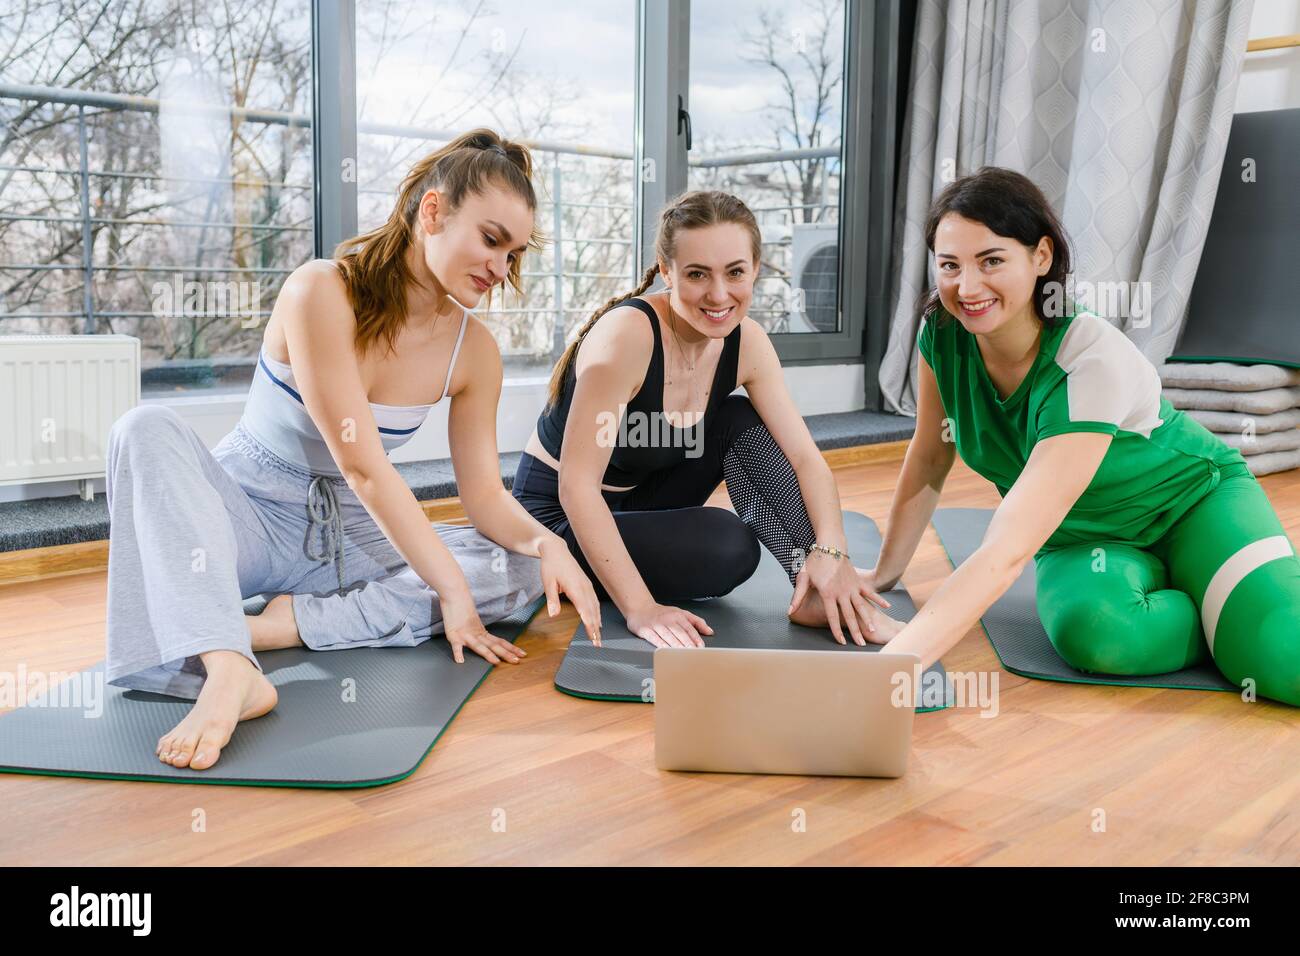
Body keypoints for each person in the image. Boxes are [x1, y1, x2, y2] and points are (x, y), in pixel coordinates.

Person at [105, 128, 601, 772]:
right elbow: (362, 464)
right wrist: (448, 590)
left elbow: (482, 496)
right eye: (490, 239)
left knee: (520, 567)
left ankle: (277, 627)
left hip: (349, 541)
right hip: (248, 521)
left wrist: (545, 544)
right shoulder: (320, 290)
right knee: (144, 428)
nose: (501, 269)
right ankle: (232, 671)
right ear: (432, 212)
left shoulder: (473, 350)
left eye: (514, 253)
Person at [874, 166, 1299, 707]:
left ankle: (1239, 600)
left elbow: (1005, 550)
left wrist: (899, 662)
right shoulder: (942, 333)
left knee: (1282, 656)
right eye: (950, 265)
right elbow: (931, 454)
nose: (967, 287)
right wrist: (884, 574)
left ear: (1042, 257)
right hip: (1082, 540)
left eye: (992, 261)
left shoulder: (1088, 359)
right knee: (1101, 637)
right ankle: (1218, 603)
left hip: (1194, 505)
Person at [511, 190, 901, 650]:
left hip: (639, 500)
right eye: (698, 274)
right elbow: (575, 489)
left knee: (737, 417)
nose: (719, 295)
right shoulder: (626, 338)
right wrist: (641, 608)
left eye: (735, 272)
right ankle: (605, 575)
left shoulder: (747, 343)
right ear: (666, 269)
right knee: (727, 547)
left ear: (755, 268)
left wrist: (831, 552)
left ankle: (818, 593)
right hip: (559, 518)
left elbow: (805, 458)